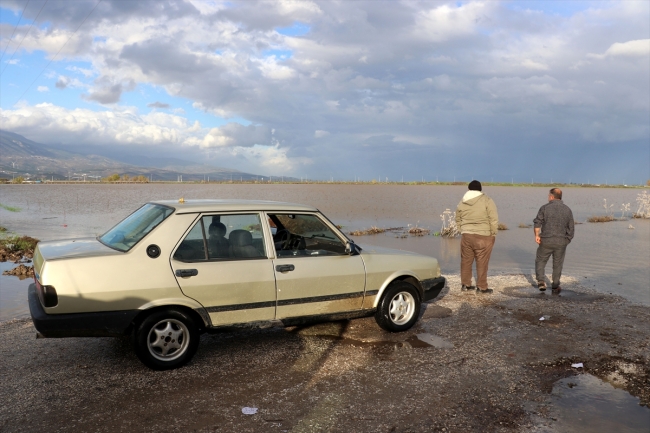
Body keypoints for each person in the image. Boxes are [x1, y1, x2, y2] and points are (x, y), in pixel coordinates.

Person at [455, 180, 499, 294]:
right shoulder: (487, 200)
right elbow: (493, 218)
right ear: (480, 189)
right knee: (482, 262)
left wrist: (462, 230)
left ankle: (465, 285)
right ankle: (482, 287)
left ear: (469, 189)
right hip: (484, 236)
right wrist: (493, 233)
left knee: (465, 261)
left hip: (466, 235)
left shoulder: (462, 201)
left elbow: (458, 218)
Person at [533, 188, 574, 292]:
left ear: (551, 197)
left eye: (548, 196)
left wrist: (537, 235)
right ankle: (555, 285)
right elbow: (571, 228)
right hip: (561, 241)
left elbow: (537, 223)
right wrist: (567, 240)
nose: (548, 197)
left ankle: (541, 282)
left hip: (546, 240)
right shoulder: (567, 210)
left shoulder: (544, 208)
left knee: (540, 261)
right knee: (558, 264)